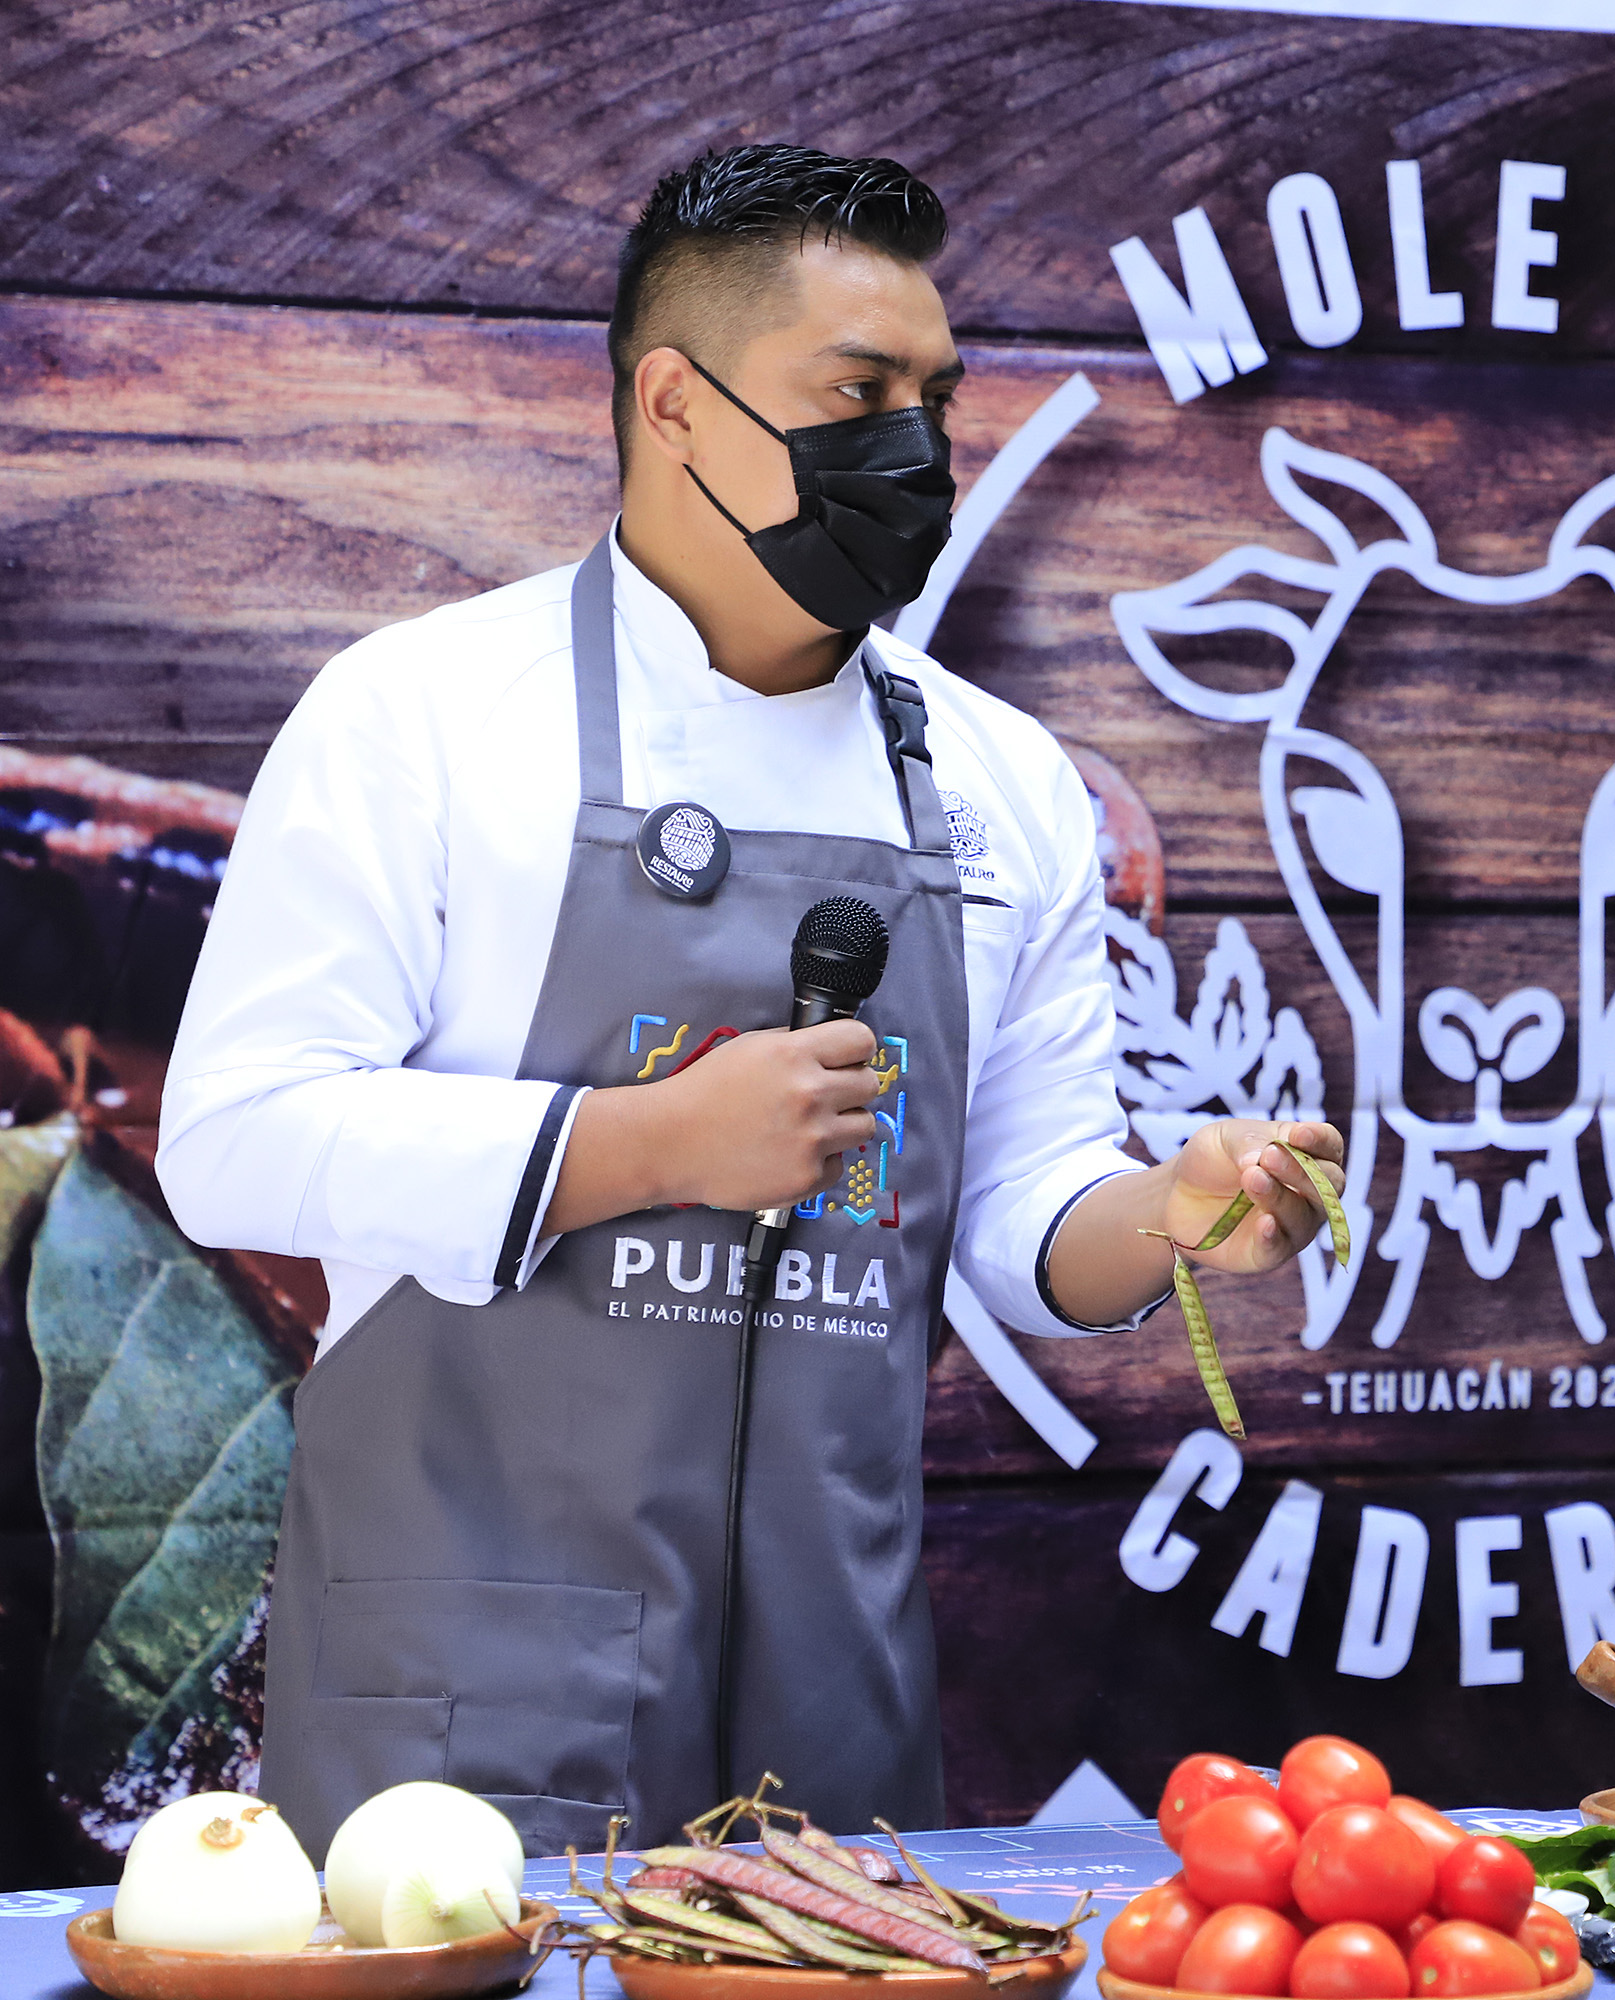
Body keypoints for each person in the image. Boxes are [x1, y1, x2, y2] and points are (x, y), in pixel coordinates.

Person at [156, 144, 1340, 1856]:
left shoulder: (1006, 781)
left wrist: (1170, 1210)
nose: (913, 448)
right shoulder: (422, 716)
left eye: (936, 399)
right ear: (676, 406)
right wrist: (649, 1145)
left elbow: (1025, 1205)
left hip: (832, 1687)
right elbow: (236, 1140)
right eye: (858, 393)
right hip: (470, 1680)